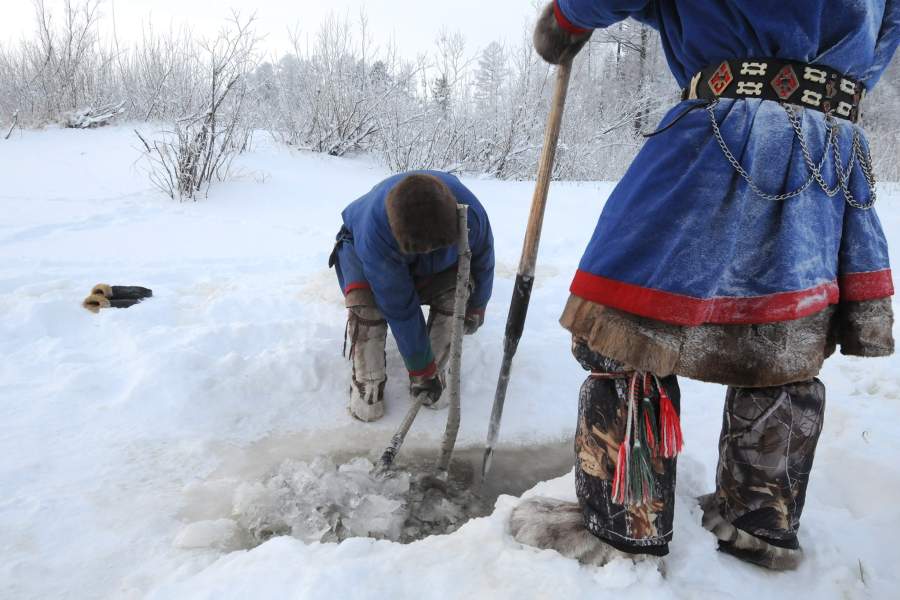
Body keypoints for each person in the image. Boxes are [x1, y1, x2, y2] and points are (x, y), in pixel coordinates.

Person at [511, 0, 899, 570]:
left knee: (620, 326)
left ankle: (625, 524)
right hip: (828, 146)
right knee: (782, 339)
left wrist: (566, 20)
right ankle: (761, 521)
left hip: (725, 131)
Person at [330, 171, 495, 422]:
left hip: (437, 262)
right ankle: (368, 383)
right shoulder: (376, 231)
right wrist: (420, 364)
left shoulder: (470, 216)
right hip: (363, 250)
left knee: (456, 296)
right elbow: (400, 307)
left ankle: (433, 374)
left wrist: (478, 305)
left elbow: (483, 259)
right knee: (368, 307)